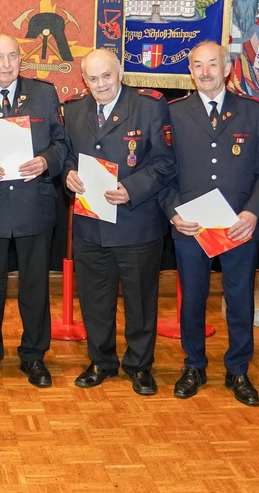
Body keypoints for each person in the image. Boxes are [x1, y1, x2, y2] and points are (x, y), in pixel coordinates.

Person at [162, 41, 259, 406]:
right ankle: (194, 364)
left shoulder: (252, 112)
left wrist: (254, 213)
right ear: (189, 71)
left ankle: (238, 369)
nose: (205, 72)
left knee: (240, 300)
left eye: (213, 64)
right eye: (197, 65)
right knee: (191, 299)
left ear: (227, 69)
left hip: (239, 225)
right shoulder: (174, 113)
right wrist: (174, 212)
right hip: (191, 227)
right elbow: (164, 171)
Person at [63, 49, 174, 395]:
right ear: (84, 80)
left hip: (135, 221)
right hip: (90, 223)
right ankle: (101, 362)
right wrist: (67, 174)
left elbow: (164, 162)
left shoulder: (149, 106)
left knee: (140, 300)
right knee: (95, 299)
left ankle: (140, 365)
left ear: (120, 72)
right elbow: (66, 154)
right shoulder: (73, 110)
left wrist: (131, 188)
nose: (100, 85)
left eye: (106, 76)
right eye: (93, 79)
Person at [0, 34, 65, 388]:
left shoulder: (44, 93)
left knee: (35, 288)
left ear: (20, 59)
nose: (6, 64)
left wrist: (46, 161)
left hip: (33, 206)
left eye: (12, 56)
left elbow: (61, 144)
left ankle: (34, 356)